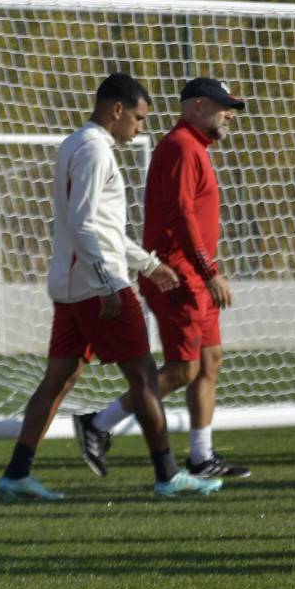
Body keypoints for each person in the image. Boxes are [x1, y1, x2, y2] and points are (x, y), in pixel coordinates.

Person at [0, 73, 221, 501]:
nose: (140, 128)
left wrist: (149, 264)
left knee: (58, 380)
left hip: (73, 286)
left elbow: (102, 228)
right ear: (117, 109)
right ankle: (168, 475)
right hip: (98, 287)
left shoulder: (75, 144)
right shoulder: (95, 150)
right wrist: (107, 283)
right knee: (144, 379)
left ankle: (16, 474)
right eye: (138, 118)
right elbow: (84, 224)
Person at [74, 78, 250, 480]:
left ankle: (201, 457)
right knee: (184, 368)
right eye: (223, 106)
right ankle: (98, 423)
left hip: (196, 274)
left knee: (210, 361)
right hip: (177, 276)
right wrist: (208, 272)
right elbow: (182, 215)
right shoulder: (181, 147)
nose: (228, 115)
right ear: (197, 107)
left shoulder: (195, 148)